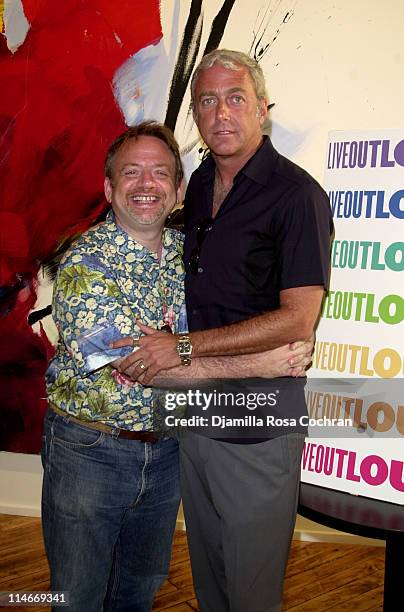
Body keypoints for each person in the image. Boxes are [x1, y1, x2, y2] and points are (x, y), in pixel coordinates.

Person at [42, 120, 312, 612]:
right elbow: (144, 368)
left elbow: (214, 326)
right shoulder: (86, 264)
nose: (147, 185)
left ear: (179, 187)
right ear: (109, 187)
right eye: (131, 173)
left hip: (168, 452)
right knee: (78, 595)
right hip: (92, 453)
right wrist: (262, 362)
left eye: (160, 173)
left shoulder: (182, 255)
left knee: (139, 589)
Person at [117, 51, 333, 612]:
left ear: (263, 107)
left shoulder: (296, 196)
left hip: (257, 423)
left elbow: (297, 320)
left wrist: (182, 347)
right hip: (193, 414)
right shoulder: (203, 180)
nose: (221, 113)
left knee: (252, 592)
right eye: (206, 102)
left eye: (235, 97)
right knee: (210, 582)